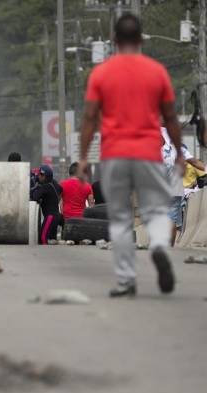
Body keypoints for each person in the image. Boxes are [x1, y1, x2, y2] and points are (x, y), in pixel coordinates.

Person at [78, 14, 182, 297]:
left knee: (121, 217)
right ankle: (159, 245)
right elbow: (171, 118)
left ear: (114, 41)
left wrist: (84, 157)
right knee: (156, 209)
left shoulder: (101, 73)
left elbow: (89, 117)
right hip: (149, 152)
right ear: (140, 39)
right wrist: (181, 156)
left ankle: (126, 280)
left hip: (115, 154)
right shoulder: (157, 71)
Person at [31, 165, 62, 244]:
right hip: (56, 215)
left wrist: (36, 187)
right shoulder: (53, 184)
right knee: (52, 239)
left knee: (43, 238)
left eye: (40, 175)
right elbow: (60, 189)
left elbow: (34, 197)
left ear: (45, 176)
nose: (38, 176)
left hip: (50, 217)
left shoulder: (45, 187)